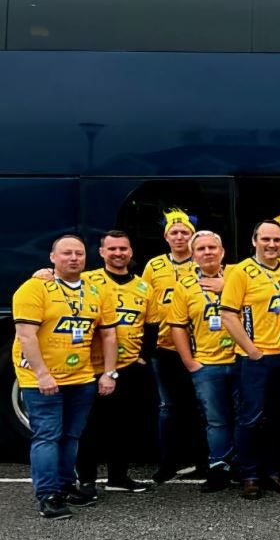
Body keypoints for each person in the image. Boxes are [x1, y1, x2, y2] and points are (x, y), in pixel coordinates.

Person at [12, 235, 118, 519]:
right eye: (66, 253)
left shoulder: (95, 291)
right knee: (48, 435)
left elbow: (109, 335)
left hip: (81, 378)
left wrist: (109, 373)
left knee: (71, 436)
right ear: (52, 257)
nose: (73, 258)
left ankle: (65, 485)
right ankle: (48, 495)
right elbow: (26, 335)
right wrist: (42, 374)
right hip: (43, 380)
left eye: (79, 253)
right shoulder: (34, 288)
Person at [220, 220, 280, 499]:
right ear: (254, 241)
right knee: (251, 419)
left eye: (277, 240)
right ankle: (250, 475)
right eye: (266, 239)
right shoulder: (241, 271)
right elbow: (228, 315)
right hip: (255, 360)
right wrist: (252, 350)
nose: (271, 245)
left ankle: (272, 472)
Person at [75, 231, 158, 496]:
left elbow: (152, 326)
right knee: (90, 426)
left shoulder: (144, 287)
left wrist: (144, 357)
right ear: (102, 252)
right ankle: (86, 480)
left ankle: (118, 477)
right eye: (112, 249)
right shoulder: (87, 280)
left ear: (131, 252)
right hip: (93, 367)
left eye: (123, 248)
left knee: (124, 426)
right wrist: (42, 273)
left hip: (129, 366)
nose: (118, 253)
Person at [168, 230, 238, 493]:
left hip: (242, 359)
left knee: (246, 418)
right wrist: (189, 362)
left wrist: (227, 287)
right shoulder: (184, 286)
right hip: (207, 364)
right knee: (216, 420)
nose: (207, 252)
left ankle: (245, 466)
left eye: (212, 247)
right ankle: (219, 467)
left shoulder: (239, 276)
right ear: (193, 255)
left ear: (222, 251)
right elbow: (177, 326)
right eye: (201, 249)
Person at [143, 209, 202, 484]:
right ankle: (167, 464)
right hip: (164, 346)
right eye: (174, 233)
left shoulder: (201, 262)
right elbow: (143, 301)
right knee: (168, 406)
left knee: (200, 406)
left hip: (199, 346)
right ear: (166, 237)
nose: (179, 237)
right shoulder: (154, 266)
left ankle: (203, 462)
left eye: (185, 232)